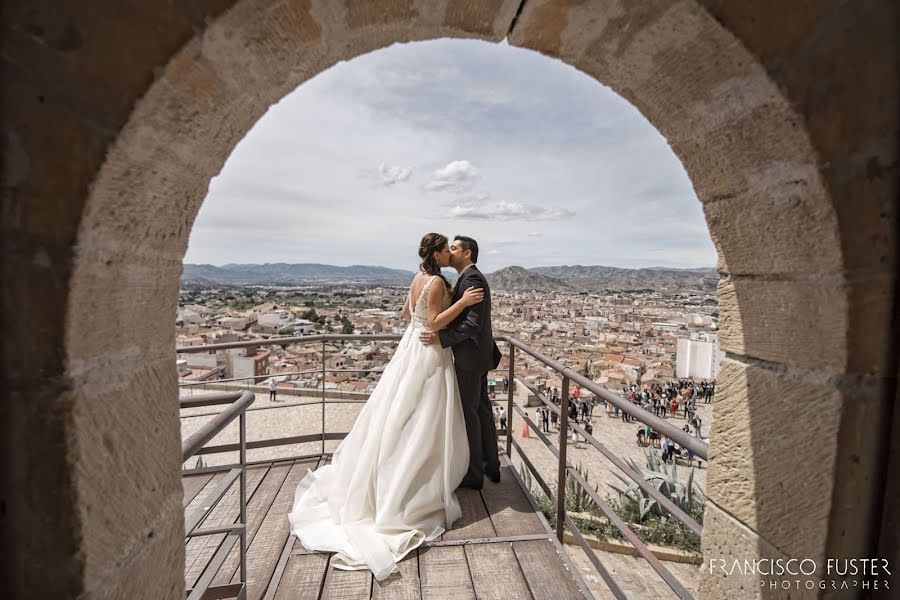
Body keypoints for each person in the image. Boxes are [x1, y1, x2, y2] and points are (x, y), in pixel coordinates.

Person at [289, 233, 485, 581]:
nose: (447, 254)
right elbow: (436, 322)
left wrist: (424, 320)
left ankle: (395, 472)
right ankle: (414, 480)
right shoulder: (438, 281)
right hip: (428, 351)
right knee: (424, 415)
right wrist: (464, 302)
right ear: (438, 254)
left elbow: (408, 312)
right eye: (445, 250)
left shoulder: (416, 277)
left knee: (401, 412)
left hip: (411, 346)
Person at [420, 235, 503, 490]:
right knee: (481, 410)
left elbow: (471, 323)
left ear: (467, 254)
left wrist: (440, 338)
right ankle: (492, 465)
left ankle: (475, 474)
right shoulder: (465, 278)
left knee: (470, 412)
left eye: (453, 248)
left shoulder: (472, 279)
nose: (450, 252)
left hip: (470, 356)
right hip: (476, 355)